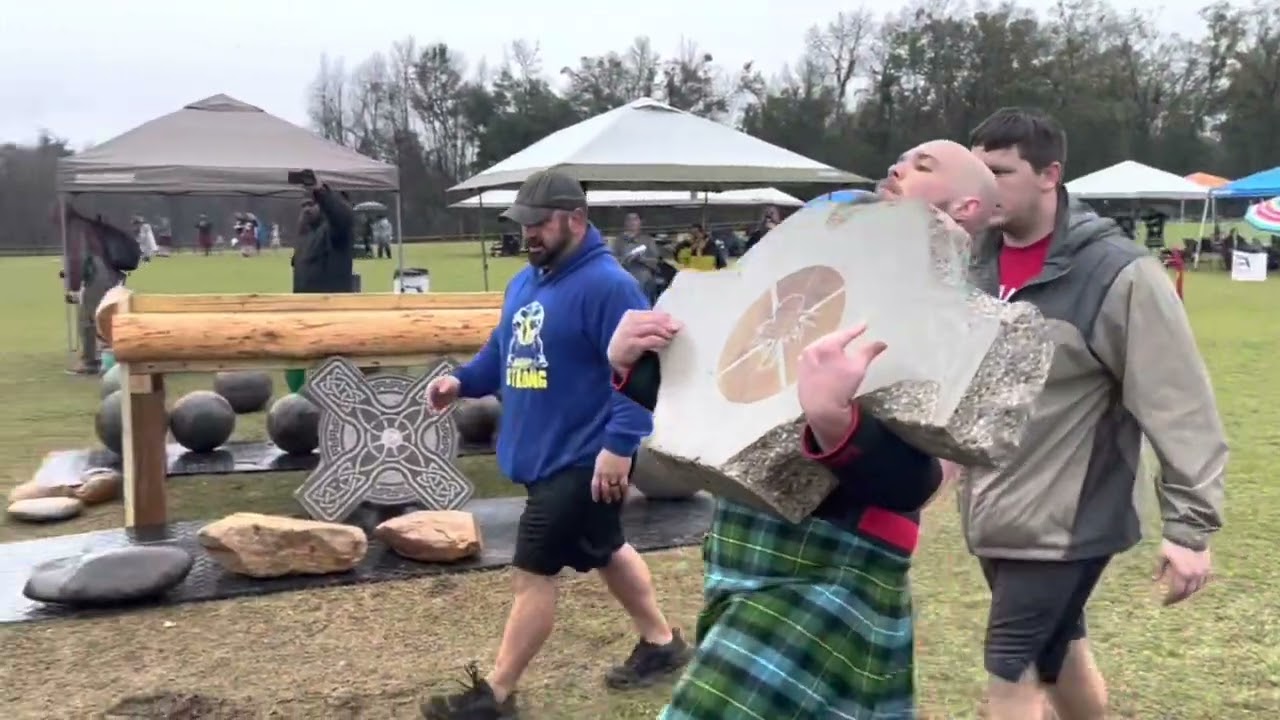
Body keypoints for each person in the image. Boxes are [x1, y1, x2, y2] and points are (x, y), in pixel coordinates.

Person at [607, 139, 995, 719]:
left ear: (966, 208)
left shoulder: (961, 320)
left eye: (923, 165)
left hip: (838, 565)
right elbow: (724, 395)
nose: (896, 166)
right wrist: (630, 367)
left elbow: (922, 481)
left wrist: (839, 422)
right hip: (744, 541)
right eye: (901, 158)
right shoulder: (822, 266)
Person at [965, 107, 1227, 720]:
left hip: (1067, 521)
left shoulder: (1118, 272)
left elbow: (1180, 401)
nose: (984, 187)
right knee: (1059, 652)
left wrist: (1191, 530)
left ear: (1049, 175)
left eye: (1000, 172)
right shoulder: (972, 263)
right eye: (977, 172)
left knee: (1012, 668)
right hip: (994, 509)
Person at [420, 170, 691, 720]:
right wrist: (462, 381)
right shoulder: (526, 282)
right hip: (542, 455)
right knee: (608, 549)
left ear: (576, 220)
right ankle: (662, 644)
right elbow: (503, 349)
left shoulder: (610, 286)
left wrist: (619, 447)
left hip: (584, 459)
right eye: (524, 225)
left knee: (532, 574)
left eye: (539, 224)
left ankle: (496, 696)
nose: (529, 235)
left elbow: (643, 372)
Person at [286, 174, 356, 393]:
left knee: (331, 368)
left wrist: (321, 191)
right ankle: (298, 399)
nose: (306, 208)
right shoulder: (306, 234)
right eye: (304, 204)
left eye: (312, 204)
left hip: (330, 313)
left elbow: (342, 216)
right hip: (302, 312)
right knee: (294, 363)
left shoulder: (336, 233)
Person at [63, 207, 136, 374]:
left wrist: (73, 288)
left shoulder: (80, 230)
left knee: (87, 320)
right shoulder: (101, 229)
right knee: (108, 316)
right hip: (114, 275)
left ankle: (90, 361)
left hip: (98, 275)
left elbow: (79, 261)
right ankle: (114, 354)